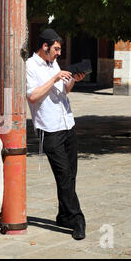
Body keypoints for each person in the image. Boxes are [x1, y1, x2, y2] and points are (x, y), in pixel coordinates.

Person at [26, 28, 86, 240]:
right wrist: (53, 78)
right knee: (64, 175)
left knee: (71, 175)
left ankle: (63, 215)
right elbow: (33, 96)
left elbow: (63, 92)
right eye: (56, 49)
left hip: (67, 124)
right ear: (45, 47)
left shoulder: (54, 64)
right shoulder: (30, 66)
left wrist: (72, 80)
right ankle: (77, 219)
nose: (59, 53)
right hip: (49, 130)